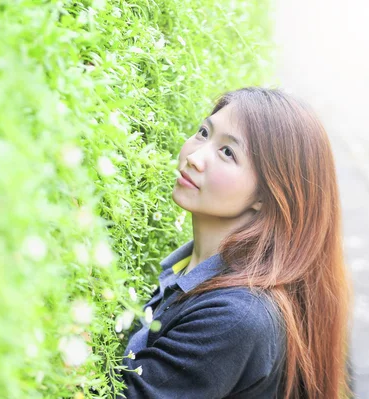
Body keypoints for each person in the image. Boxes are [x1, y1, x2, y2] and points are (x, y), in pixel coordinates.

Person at [113, 87, 353, 398]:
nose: (195, 158)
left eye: (228, 152)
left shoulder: (235, 317)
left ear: (267, 197)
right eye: (203, 132)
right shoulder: (195, 270)